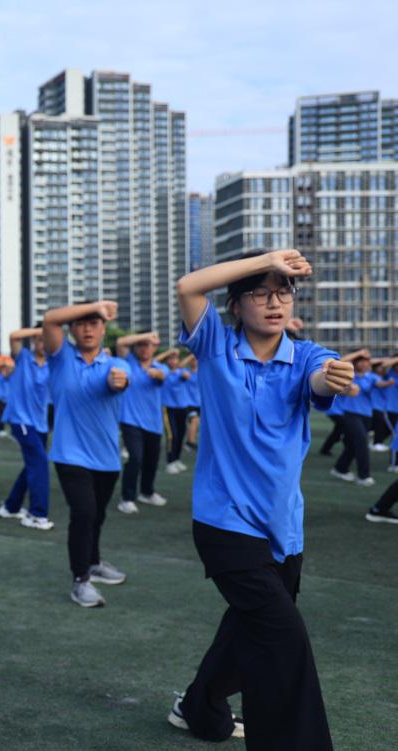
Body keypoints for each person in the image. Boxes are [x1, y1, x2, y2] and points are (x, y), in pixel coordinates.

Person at [169, 249, 350, 750]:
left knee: (248, 629)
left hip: (283, 528)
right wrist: (270, 259)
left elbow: (320, 379)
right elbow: (188, 286)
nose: (275, 303)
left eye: (283, 292)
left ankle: (198, 704)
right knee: (282, 639)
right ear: (236, 304)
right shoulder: (215, 347)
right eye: (261, 293)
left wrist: (333, 376)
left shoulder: (308, 355)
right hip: (225, 525)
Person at [41, 300, 130, 608]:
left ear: (104, 328)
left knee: (98, 515)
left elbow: (120, 381)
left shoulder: (116, 365)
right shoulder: (61, 358)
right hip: (70, 455)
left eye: (94, 323)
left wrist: (117, 382)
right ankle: (81, 580)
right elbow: (50, 318)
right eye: (81, 322)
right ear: (73, 329)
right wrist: (95, 307)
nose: (88, 328)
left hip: (106, 458)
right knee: (84, 513)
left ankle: (93, 562)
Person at [0, 327, 54, 531]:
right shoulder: (23, 357)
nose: (42, 343)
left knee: (33, 464)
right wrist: (42, 328)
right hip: (20, 420)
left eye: (45, 339)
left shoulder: (52, 364)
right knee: (39, 461)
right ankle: (37, 514)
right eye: (39, 339)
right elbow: (13, 336)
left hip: (39, 423)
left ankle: (10, 506)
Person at [114, 331, 169, 514]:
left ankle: (146, 492)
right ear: (135, 346)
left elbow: (163, 376)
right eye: (141, 345)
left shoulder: (160, 367)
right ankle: (127, 498)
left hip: (153, 422)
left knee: (151, 461)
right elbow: (121, 342)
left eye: (149, 345)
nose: (145, 348)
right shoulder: (127, 363)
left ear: (154, 348)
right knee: (135, 458)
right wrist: (147, 336)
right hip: (130, 421)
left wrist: (157, 374)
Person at [331, 350, 376, 486]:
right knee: (362, 441)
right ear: (355, 363)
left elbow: (382, 377)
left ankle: (340, 468)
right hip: (350, 414)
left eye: (366, 361)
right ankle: (364, 476)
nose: (363, 364)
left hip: (367, 415)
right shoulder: (349, 376)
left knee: (351, 444)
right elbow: (338, 363)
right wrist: (359, 353)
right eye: (360, 361)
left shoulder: (372, 377)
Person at [160, 349, 191, 475]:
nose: (173, 361)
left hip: (182, 408)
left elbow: (186, 376)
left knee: (181, 434)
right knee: (172, 436)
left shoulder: (182, 372)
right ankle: (170, 462)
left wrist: (183, 372)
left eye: (175, 359)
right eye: (170, 359)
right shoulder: (163, 371)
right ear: (167, 361)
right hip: (168, 408)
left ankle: (177, 459)